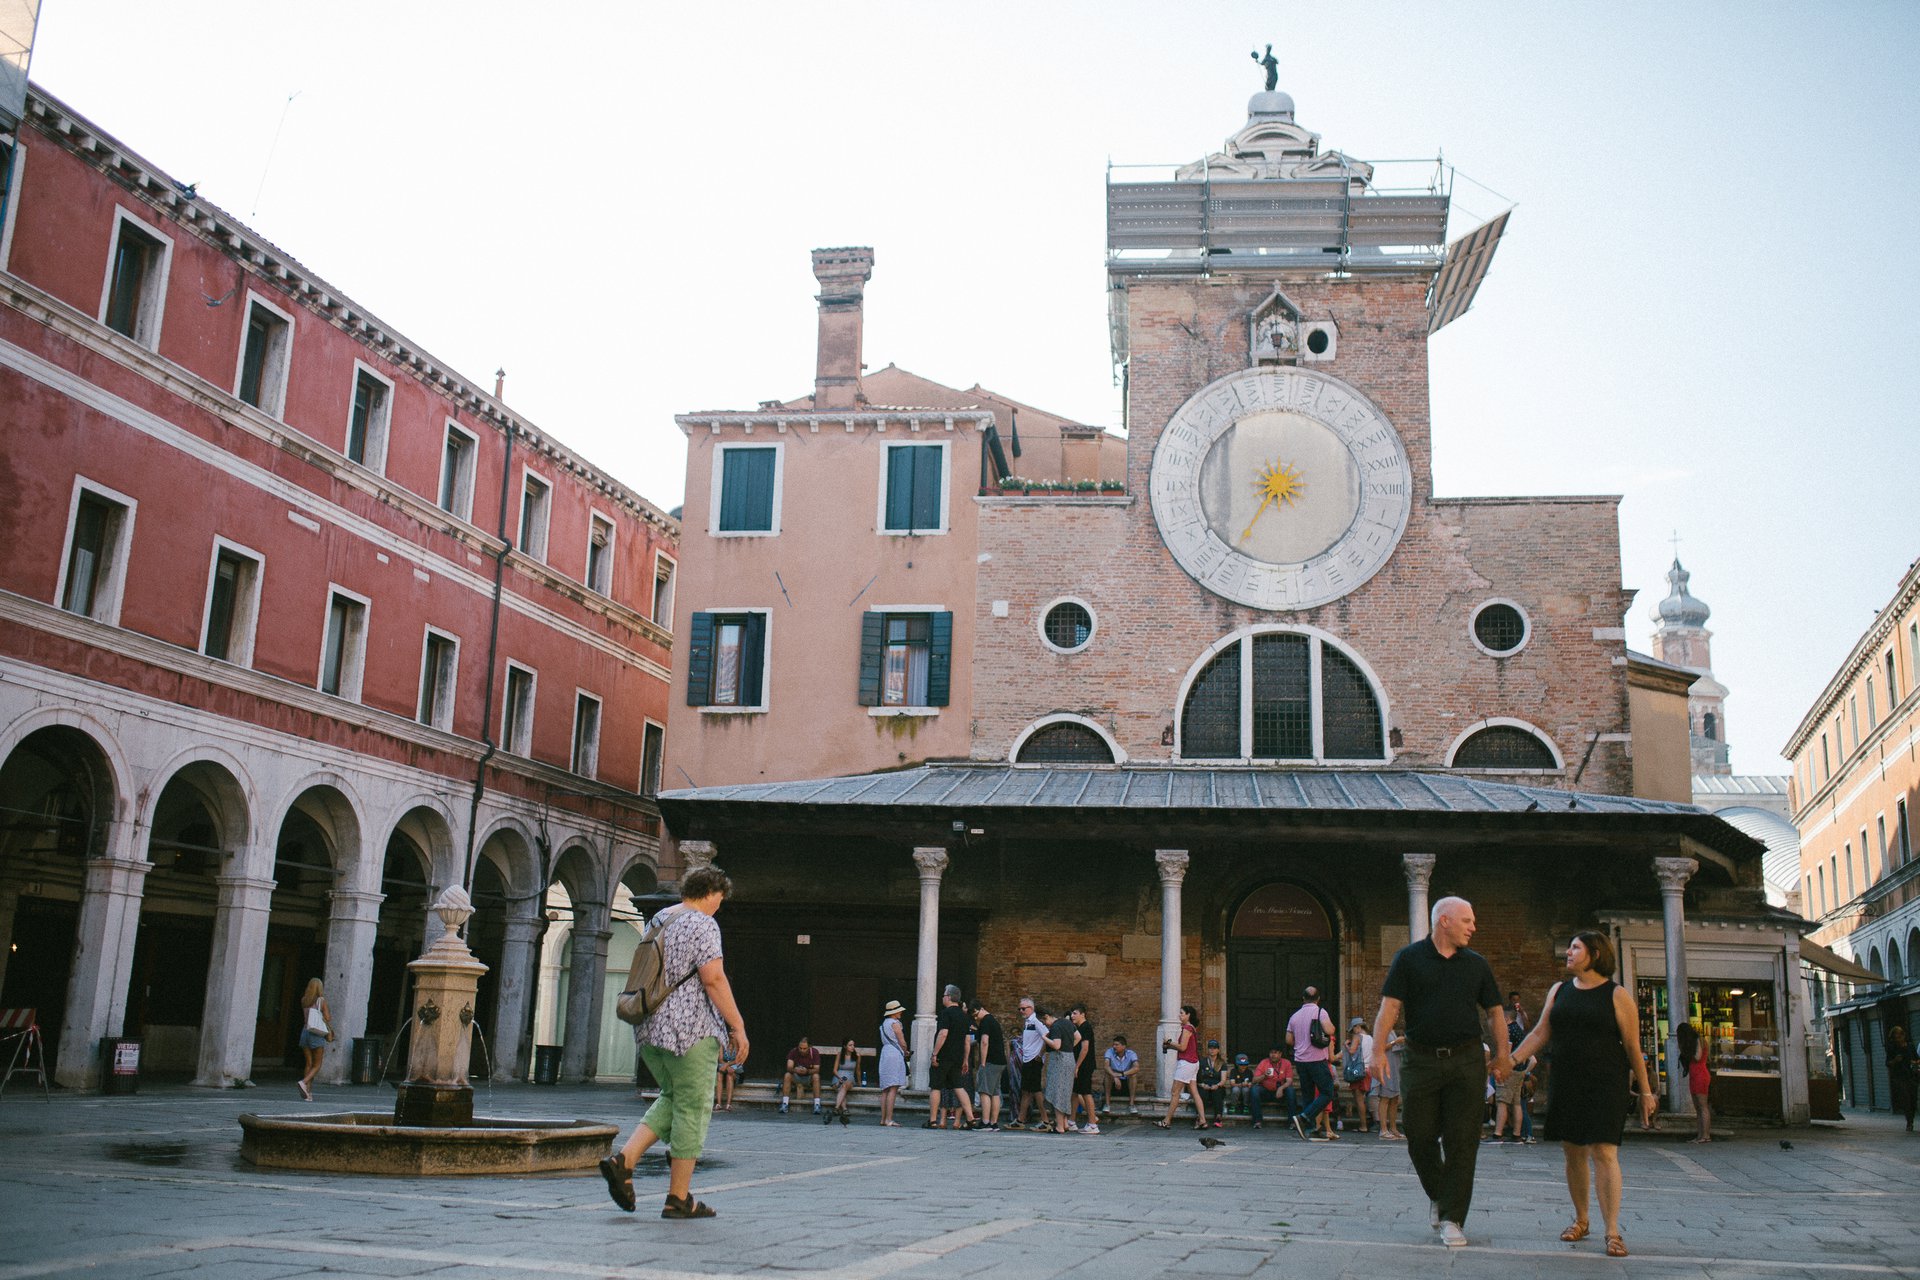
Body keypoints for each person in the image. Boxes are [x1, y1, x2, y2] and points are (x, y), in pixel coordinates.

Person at [599, 865, 748, 1221]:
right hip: (690, 1031)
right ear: (712, 892)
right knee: (693, 1107)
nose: (719, 907)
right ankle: (678, 1198)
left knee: (673, 1097)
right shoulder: (702, 923)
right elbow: (713, 978)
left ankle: (624, 1161)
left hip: (650, 1027)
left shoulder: (660, 918)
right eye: (720, 900)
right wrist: (738, 1025)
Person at [1370, 896, 1511, 1250]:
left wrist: (1504, 1053)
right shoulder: (1409, 959)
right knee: (1418, 1136)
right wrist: (1376, 1051)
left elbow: (1495, 1013)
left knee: (1463, 1141)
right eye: (1467, 921)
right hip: (1421, 1060)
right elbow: (1389, 1007)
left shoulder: (1476, 965)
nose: (1473, 928)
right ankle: (1441, 1194)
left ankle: (1452, 1218)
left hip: (1466, 1060)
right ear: (1444, 921)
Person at [1510, 930, 1655, 1260]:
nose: (1569, 953)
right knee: (1573, 1151)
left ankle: (1612, 1230)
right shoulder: (1558, 991)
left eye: (1576, 948)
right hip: (1567, 1079)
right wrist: (1513, 1059)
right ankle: (1581, 1219)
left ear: (1596, 954)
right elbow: (1540, 1033)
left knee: (1604, 1151)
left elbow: (1633, 1047)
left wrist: (1646, 1091)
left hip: (1606, 1081)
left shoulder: (1617, 996)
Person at [1285, 986, 1337, 1142]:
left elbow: (1288, 1040)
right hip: (1317, 1060)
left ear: (1303, 998)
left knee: (1307, 1094)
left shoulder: (1294, 1016)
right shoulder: (1320, 1012)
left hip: (1301, 1061)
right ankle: (1304, 1117)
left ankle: (1311, 1129)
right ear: (1318, 999)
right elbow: (1330, 1029)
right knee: (1328, 1092)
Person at [927, 984, 977, 1129]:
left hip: (944, 1056)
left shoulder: (946, 1013)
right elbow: (967, 1041)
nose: (942, 997)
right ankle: (970, 1117)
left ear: (948, 997)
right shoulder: (964, 1015)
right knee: (959, 1086)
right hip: (958, 1057)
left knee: (935, 1086)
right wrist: (965, 1059)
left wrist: (935, 1054)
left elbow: (943, 1034)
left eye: (943, 995)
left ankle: (933, 1120)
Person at [1155, 1004, 1208, 1130]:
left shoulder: (1187, 1028)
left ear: (1188, 1015)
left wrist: (1169, 1042)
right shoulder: (1192, 1028)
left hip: (1186, 1063)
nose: (1179, 1015)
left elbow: (1182, 1047)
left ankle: (1166, 1121)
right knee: (1194, 1092)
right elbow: (1184, 1047)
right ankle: (1202, 1120)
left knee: (1175, 1092)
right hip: (1193, 1063)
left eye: (1182, 1013)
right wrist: (1170, 1045)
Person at [1009, 997, 1047, 1129]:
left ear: (1031, 1008)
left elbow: (1047, 1036)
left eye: (1023, 1008)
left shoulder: (1036, 1021)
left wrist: (1040, 1054)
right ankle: (1020, 1120)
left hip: (1033, 1061)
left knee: (1036, 1090)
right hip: (1027, 1060)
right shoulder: (1028, 1022)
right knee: (1026, 1090)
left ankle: (1045, 1120)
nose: (1021, 1011)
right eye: (1019, 1008)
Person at [970, 1001, 1007, 1131]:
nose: (975, 1018)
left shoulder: (985, 1021)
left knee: (984, 1091)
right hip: (1000, 1061)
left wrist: (983, 1062)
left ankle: (985, 1122)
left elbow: (985, 1042)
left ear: (981, 1009)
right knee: (995, 1092)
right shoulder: (993, 1020)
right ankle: (993, 1123)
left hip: (991, 1061)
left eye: (975, 1014)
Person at [1040, 1008, 1078, 1133]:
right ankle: (1065, 1123)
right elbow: (1078, 1037)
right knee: (1065, 1092)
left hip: (1059, 1060)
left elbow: (1056, 1045)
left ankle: (1060, 1126)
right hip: (1070, 1057)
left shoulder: (1055, 1027)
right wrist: (1069, 1047)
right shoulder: (1067, 1022)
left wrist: (1044, 1038)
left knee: (1057, 1093)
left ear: (1047, 1016)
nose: (1044, 1024)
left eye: (1043, 1021)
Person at [297, 978, 331, 1102]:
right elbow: (328, 1017)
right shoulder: (321, 1001)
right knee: (317, 1064)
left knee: (309, 1063)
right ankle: (304, 1082)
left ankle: (307, 1093)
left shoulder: (304, 1000)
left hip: (305, 1032)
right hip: (316, 1034)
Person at [1676, 1021, 1711, 1143]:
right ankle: (1700, 1135)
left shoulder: (1697, 1040)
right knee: (1698, 1107)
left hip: (1700, 1073)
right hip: (1695, 1074)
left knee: (1703, 1106)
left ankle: (1705, 1135)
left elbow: (1697, 1057)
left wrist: (1687, 1051)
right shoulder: (1696, 1040)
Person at [1068, 1005, 1100, 1134]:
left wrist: (1077, 1066)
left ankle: (1093, 1124)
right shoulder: (1078, 1027)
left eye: (1075, 1013)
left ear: (1083, 1014)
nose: (1072, 1016)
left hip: (1085, 1066)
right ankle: (1071, 1121)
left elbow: (1085, 1048)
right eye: (1072, 1014)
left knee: (1086, 1093)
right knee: (1075, 1093)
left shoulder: (1086, 1027)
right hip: (1080, 1065)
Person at [877, 999, 908, 1127]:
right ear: (894, 1012)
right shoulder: (895, 1023)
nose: (900, 1012)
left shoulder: (883, 1024)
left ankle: (883, 1119)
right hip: (895, 1053)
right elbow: (902, 1042)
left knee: (885, 1088)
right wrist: (906, 1051)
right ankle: (889, 1119)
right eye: (898, 1010)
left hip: (885, 1052)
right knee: (893, 1088)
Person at [1249, 1047, 1295, 1129]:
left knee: (1291, 1091)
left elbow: (1289, 1081)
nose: (1273, 1055)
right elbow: (1254, 1080)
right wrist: (1264, 1076)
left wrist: (1281, 1088)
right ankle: (1257, 1121)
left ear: (1280, 1054)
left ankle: (1292, 1122)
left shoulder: (1286, 1063)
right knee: (1254, 1089)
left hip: (1281, 1093)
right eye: (1271, 1053)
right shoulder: (1264, 1062)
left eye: (1276, 1053)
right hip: (1266, 1091)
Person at [1343, 1018, 1375, 1133]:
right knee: (1363, 1098)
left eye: (1353, 1029)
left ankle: (1363, 1126)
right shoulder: (1370, 1038)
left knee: (1359, 1099)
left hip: (1359, 1071)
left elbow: (1352, 1051)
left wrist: (1346, 1045)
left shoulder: (1357, 1037)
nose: (1352, 1032)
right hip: (1368, 1070)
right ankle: (1366, 1123)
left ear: (1358, 1027)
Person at [1888, 1024, 1918, 1133]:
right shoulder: (1893, 1048)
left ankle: (1911, 1119)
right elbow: (1888, 1062)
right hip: (1899, 1077)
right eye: (1896, 1038)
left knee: (1913, 1099)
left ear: (1903, 1036)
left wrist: (1915, 1063)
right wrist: (1895, 1060)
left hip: (1911, 1076)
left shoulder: (1910, 1046)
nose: (1898, 1040)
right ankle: (1909, 1122)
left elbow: (1917, 1058)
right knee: (1906, 1099)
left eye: (1899, 1037)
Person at [780, 1037, 822, 1115]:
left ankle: (817, 1104)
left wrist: (807, 1071)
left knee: (816, 1076)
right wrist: (796, 1070)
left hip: (809, 1077)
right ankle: (785, 1103)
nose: (802, 1050)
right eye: (800, 1048)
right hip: (797, 1076)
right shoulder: (793, 1051)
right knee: (787, 1075)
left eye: (804, 1048)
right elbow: (789, 1067)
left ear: (809, 1047)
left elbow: (817, 1069)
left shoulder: (814, 1052)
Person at [1376, 1027, 1404, 1140]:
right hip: (1386, 1067)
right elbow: (1380, 1048)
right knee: (1385, 1098)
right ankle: (1383, 1130)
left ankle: (1393, 1128)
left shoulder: (1392, 1030)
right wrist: (1395, 1042)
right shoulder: (1382, 1030)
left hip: (1395, 1067)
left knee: (1394, 1099)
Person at [1101, 1035, 1140, 1115]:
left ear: (1124, 1046)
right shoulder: (1110, 1051)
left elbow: (1136, 1068)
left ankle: (1131, 1105)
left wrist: (1121, 1074)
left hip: (1126, 1085)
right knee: (1107, 1075)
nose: (1114, 1046)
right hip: (1113, 1084)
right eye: (1113, 1044)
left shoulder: (1131, 1054)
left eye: (1116, 1045)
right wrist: (1115, 1076)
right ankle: (1107, 1104)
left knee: (1133, 1075)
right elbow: (1106, 1066)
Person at [826, 1038, 860, 1123]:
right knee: (840, 1086)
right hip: (839, 1076)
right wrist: (839, 1077)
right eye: (850, 1045)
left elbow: (858, 1070)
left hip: (850, 1077)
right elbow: (834, 1070)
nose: (853, 1047)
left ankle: (836, 1108)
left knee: (844, 1085)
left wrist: (859, 1082)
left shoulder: (857, 1056)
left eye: (853, 1045)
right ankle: (844, 1109)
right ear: (845, 1046)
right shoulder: (840, 1054)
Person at [1197, 1040, 1228, 1127]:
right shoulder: (1202, 1062)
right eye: (1210, 1048)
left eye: (1214, 1048)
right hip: (1204, 1084)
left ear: (1218, 1050)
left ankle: (1218, 1117)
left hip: (1217, 1085)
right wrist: (1202, 1085)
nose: (1212, 1050)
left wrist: (1217, 1085)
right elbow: (1197, 1077)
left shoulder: (1222, 1063)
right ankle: (1200, 1117)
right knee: (1202, 1093)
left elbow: (1223, 1080)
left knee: (1218, 1092)